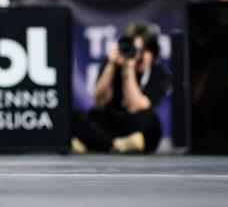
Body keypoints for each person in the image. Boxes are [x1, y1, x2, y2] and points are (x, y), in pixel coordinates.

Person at [71, 21, 171, 154]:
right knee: (80, 116)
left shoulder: (159, 75)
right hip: (111, 122)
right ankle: (116, 145)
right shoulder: (113, 64)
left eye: (143, 51)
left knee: (152, 122)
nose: (138, 56)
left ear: (153, 53)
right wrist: (112, 65)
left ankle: (96, 144)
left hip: (135, 123)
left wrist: (128, 68)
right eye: (134, 50)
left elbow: (134, 106)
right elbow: (99, 100)